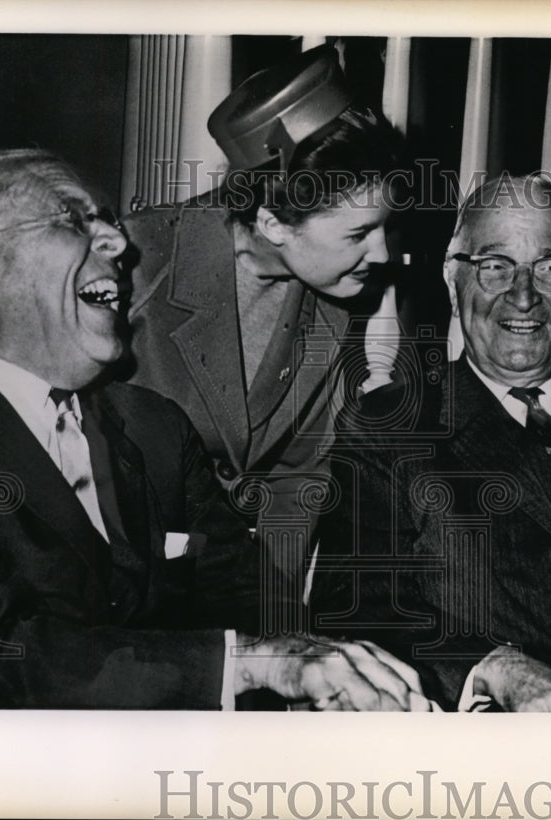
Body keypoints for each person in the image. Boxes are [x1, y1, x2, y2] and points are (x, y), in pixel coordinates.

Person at [0, 148, 430, 711]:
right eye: (75, 221)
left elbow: (244, 598)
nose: (118, 243)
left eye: (105, 219)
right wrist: (249, 664)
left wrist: (322, 680)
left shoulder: (153, 429)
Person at [309, 174, 551, 712]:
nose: (523, 297)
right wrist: (494, 667)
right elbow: (356, 609)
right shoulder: (390, 428)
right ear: (454, 280)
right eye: (495, 267)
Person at [120, 46, 406, 580]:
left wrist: (269, 614)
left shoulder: (336, 292)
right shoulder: (134, 266)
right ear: (273, 223)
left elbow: (298, 476)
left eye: (384, 228)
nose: (383, 254)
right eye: (359, 234)